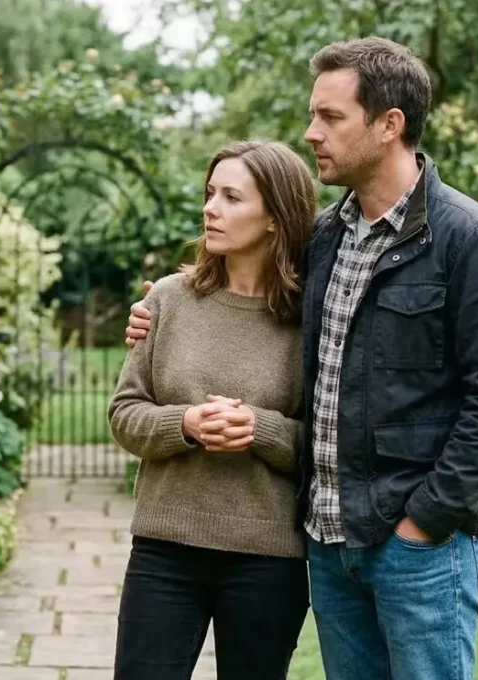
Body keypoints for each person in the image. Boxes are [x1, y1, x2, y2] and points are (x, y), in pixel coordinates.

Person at [124, 37, 478, 680]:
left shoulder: (467, 237)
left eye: (331, 116)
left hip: (416, 545)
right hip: (329, 541)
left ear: (389, 124)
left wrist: (425, 521)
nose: (311, 132)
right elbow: (242, 297)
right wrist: (159, 311)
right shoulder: (324, 239)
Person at [108, 140, 318, 680]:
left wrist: (260, 430)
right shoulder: (168, 299)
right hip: (164, 547)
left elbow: (328, 440)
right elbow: (124, 413)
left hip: (268, 557)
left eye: (231, 197)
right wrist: (184, 423)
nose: (210, 209)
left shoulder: (311, 317)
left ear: (275, 217)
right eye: (209, 193)